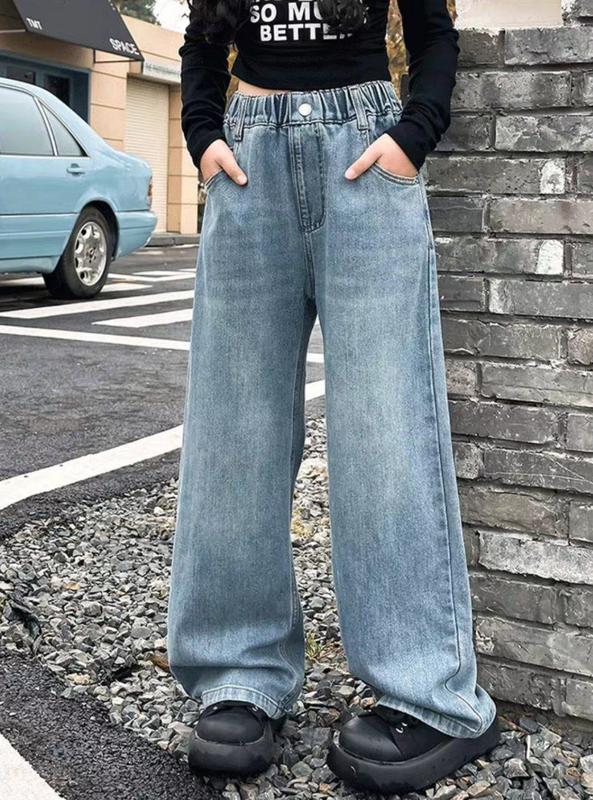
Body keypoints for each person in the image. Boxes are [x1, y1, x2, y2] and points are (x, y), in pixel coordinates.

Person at [166, 0, 499, 793]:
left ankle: (428, 691)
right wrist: (204, 139)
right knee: (233, 430)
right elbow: (202, 41)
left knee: (386, 426)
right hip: (249, 161)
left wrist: (411, 137)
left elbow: (432, 32)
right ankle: (238, 672)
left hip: (364, 153)